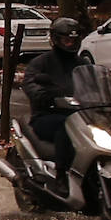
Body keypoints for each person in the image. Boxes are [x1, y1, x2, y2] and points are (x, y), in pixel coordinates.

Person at [21, 17, 85, 194]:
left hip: (79, 116)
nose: (70, 43)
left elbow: (93, 83)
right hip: (46, 115)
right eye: (67, 39)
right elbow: (30, 82)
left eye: (74, 39)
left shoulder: (83, 64)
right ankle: (61, 175)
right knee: (66, 128)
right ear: (56, 40)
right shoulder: (42, 62)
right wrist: (42, 95)